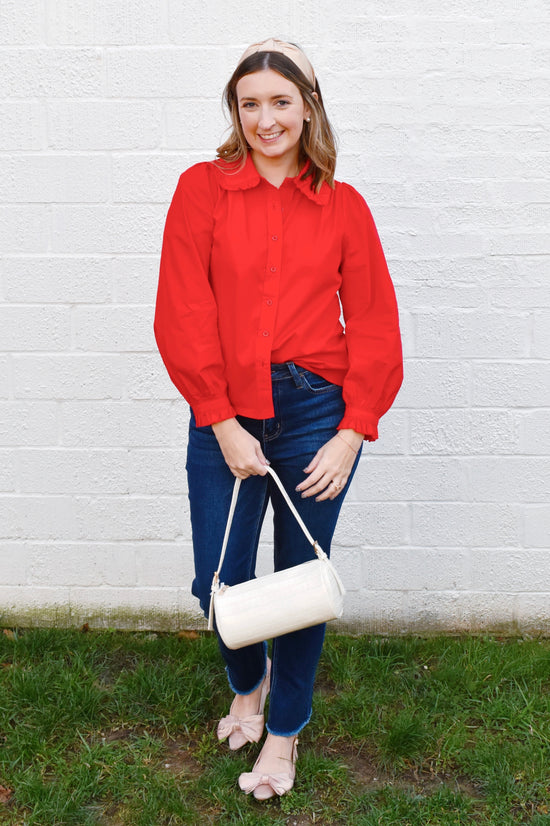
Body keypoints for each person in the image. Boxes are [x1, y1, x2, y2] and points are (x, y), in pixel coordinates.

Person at [154, 38, 403, 801]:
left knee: (300, 584)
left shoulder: (342, 205)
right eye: (250, 102)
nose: (265, 119)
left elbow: (375, 322)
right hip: (223, 411)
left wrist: (354, 428)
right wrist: (220, 420)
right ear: (236, 108)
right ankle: (248, 683)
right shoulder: (202, 190)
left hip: (313, 417)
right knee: (218, 582)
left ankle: (285, 732)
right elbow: (182, 310)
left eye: (281, 102)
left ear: (309, 106)